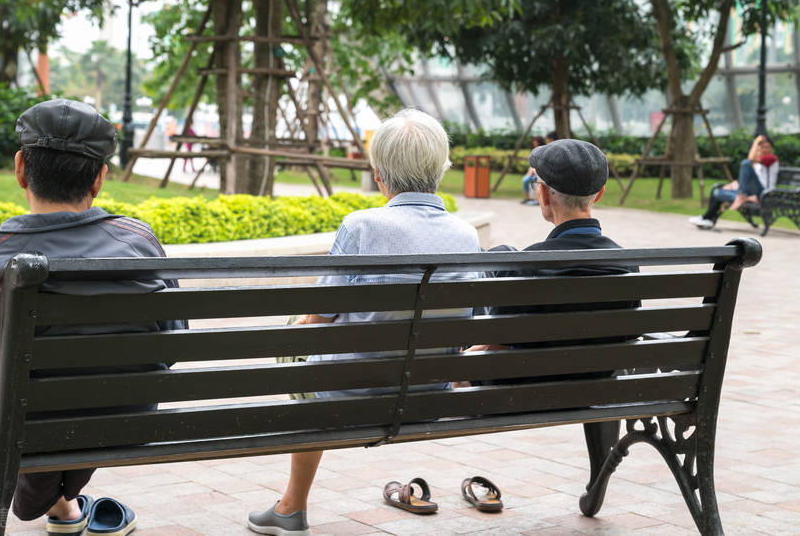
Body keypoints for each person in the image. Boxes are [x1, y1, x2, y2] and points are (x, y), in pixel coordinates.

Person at [0, 99, 184, 536]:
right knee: (71, 389)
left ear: (21, 169)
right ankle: (61, 503)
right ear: (100, 179)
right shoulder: (140, 242)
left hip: (20, 428)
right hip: (125, 418)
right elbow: (173, 341)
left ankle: (0, 506)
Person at [247, 108, 482, 536]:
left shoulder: (361, 226)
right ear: (441, 170)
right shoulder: (467, 235)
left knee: (298, 340)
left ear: (379, 175)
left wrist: (301, 323)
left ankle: (292, 506)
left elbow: (323, 311)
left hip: (352, 388)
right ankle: (289, 505)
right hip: (430, 390)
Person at [467, 139, 638, 371]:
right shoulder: (628, 265)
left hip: (522, 397)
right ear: (599, 195)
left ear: (545, 195)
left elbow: (495, 349)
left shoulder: (525, 266)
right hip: (598, 393)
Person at [689, 134, 779, 230]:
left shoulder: (772, 159)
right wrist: (735, 184)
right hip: (752, 192)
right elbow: (749, 177)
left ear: (772, 149)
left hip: (764, 193)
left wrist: (756, 142)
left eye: (767, 147)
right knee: (718, 192)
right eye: (762, 147)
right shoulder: (759, 161)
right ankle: (708, 219)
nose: (764, 150)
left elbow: (750, 159)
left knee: (745, 163)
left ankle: (742, 196)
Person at [520, 135, 547, 205]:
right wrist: (529, 171)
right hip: (533, 172)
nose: (535, 144)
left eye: (536, 143)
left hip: (540, 172)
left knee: (537, 180)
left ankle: (536, 199)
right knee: (525, 180)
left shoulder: (544, 151)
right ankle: (527, 198)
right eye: (534, 143)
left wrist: (535, 171)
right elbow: (531, 164)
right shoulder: (532, 151)